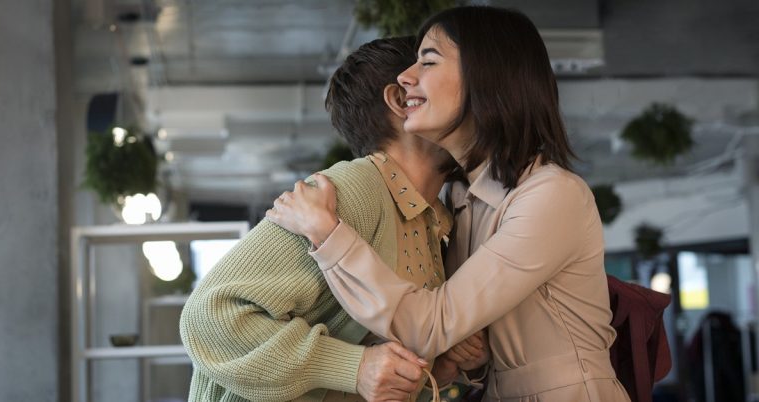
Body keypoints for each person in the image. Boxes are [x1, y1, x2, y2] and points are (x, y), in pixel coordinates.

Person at [266, 6, 632, 402]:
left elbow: (429, 324)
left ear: (486, 76)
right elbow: (463, 331)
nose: (406, 79)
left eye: (428, 61)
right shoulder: (459, 198)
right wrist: (473, 354)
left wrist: (327, 234)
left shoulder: (552, 195)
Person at [180, 36, 485, 402]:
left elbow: (373, 368)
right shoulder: (356, 189)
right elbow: (209, 317)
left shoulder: (433, 218)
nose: (477, 103)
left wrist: (436, 370)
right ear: (404, 99)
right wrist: (353, 367)